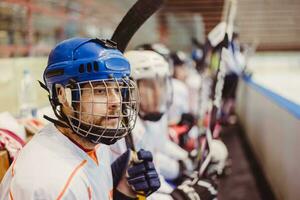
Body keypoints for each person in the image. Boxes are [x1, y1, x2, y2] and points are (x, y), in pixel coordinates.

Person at [0, 38, 160, 200]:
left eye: (118, 90)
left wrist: (123, 191)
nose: (116, 102)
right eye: (100, 91)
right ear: (63, 95)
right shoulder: (51, 184)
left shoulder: (91, 140)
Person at [110, 50, 217, 200]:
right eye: (148, 86)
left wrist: (187, 159)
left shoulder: (150, 118)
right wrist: (180, 194)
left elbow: (159, 151)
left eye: (161, 84)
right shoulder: (121, 131)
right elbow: (137, 191)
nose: (157, 93)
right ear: (126, 90)